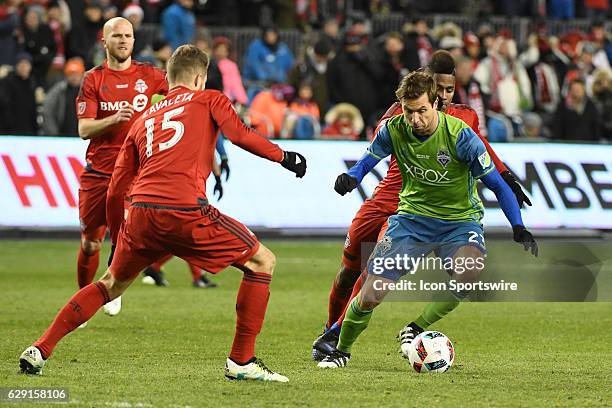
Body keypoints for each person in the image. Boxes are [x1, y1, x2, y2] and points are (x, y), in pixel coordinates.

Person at [19, 44, 307, 382]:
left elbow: (115, 189)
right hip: (184, 208)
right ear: (200, 78)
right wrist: (284, 157)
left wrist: (117, 237)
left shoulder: (144, 120)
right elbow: (239, 135)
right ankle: (241, 361)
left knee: (109, 283)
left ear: (168, 79)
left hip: (140, 214)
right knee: (262, 262)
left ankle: (40, 348)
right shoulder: (210, 99)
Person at [311, 50, 533, 361]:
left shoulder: (463, 127)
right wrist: (351, 178)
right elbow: (367, 160)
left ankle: (409, 329)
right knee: (354, 274)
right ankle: (336, 339)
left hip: (457, 221)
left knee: (468, 276)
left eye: (447, 91)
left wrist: (516, 214)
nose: (416, 117)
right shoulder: (394, 123)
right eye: (410, 110)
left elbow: (491, 171)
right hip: (404, 210)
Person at [74, 17, 168, 318]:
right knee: (90, 242)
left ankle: (112, 283)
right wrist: (114, 120)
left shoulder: (151, 75)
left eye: (128, 35)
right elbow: (85, 129)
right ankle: (81, 299)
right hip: (99, 172)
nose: (123, 41)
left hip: (135, 174)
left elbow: (180, 94)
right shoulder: (93, 79)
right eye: (117, 36)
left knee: (127, 236)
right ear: (105, 41)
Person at [42, 57, 85, 136]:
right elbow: (47, 110)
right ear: (66, 75)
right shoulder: (58, 90)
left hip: (83, 136)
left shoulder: (89, 91)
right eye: (71, 74)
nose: (74, 77)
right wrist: (53, 133)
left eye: (77, 74)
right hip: (61, 135)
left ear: (82, 75)